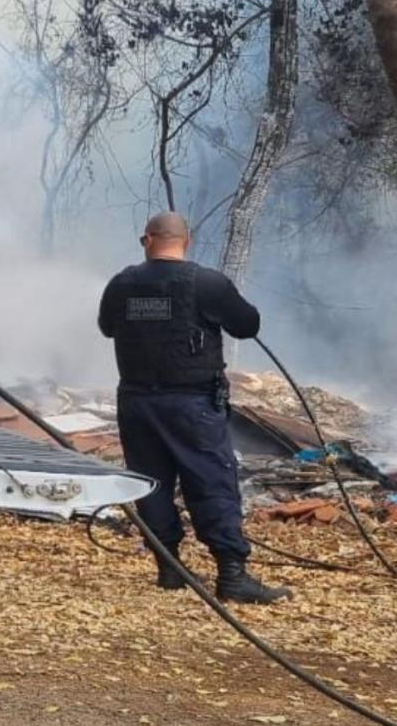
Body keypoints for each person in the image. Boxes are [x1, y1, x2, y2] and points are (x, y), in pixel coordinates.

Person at [98, 211, 290, 604]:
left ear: (146, 240)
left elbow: (107, 327)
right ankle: (231, 575)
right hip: (192, 403)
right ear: (186, 241)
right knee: (211, 482)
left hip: (137, 403)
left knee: (150, 484)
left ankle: (169, 568)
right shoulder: (206, 283)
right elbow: (247, 324)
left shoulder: (122, 284)